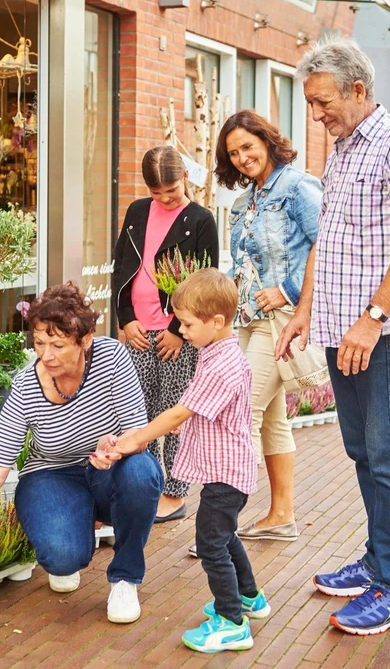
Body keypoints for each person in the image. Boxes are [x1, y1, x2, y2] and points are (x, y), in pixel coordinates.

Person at [279, 36, 390, 636]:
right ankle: (378, 562)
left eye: (322, 103)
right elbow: (330, 241)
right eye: (313, 105)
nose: (316, 116)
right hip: (342, 331)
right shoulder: (342, 150)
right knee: (364, 452)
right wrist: (304, 310)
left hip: (383, 332)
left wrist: (371, 319)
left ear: (358, 90)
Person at [0, 283, 163, 625]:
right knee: (63, 558)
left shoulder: (112, 358)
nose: (47, 355)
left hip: (109, 469)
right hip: (51, 474)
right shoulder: (25, 386)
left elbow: (137, 435)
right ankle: (74, 530)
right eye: (39, 343)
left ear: (85, 340)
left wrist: (114, 448)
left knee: (142, 473)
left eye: (58, 345)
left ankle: (125, 577)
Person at [94, 269, 269, 653]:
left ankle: (231, 621)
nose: (182, 330)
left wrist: (134, 438)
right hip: (228, 471)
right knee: (223, 536)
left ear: (217, 322)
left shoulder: (220, 363)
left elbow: (180, 412)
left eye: (188, 323)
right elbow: (203, 413)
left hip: (226, 475)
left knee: (210, 544)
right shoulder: (216, 353)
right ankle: (249, 597)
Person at [213, 109, 323, 541]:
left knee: (239, 413)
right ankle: (281, 516)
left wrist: (289, 290)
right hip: (249, 320)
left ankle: (217, 529)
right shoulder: (245, 202)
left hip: (282, 319)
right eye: (233, 152)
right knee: (271, 418)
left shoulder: (298, 187)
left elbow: (327, 244)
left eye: (247, 146)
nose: (242, 157)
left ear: (267, 141)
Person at [111, 145, 219, 522]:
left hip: (177, 336)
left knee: (173, 413)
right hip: (137, 332)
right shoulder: (137, 211)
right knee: (134, 412)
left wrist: (177, 329)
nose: (164, 198)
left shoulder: (201, 220)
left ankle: (174, 492)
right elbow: (121, 264)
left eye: (170, 190)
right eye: (156, 192)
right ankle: (145, 485)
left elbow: (206, 280)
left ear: (184, 178)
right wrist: (125, 318)